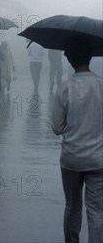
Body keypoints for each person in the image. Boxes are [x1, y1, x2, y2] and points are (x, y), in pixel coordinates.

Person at [50, 35, 103, 243]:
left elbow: (56, 127)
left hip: (71, 159)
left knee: (72, 207)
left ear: (69, 59)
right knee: (97, 209)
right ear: (90, 57)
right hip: (99, 159)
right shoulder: (101, 85)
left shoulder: (64, 88)